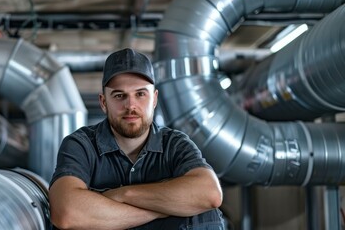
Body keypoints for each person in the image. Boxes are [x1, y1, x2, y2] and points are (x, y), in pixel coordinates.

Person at [49, 48, 225, 229]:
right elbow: (66, 213)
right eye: (119, 95)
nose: (130, 105)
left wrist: (125, 195)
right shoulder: (81, 144)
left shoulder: (175, 144)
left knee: (205, 212)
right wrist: (165, 209)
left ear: (154, 99)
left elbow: (210, 194)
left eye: (140, 94)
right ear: (103, 102)